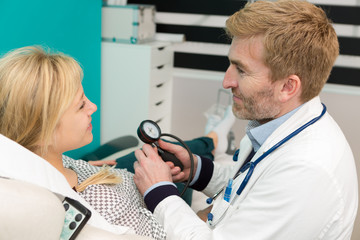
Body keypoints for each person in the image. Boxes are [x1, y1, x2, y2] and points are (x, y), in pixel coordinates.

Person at [132, 1, 359, 239]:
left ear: (288, 86)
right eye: (230, 64)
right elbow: (254, 184)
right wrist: (200, 171)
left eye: (241, 70)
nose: (227, 81)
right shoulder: (275, 123)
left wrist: (160, 193)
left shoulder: (306, 172)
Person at [0, 46, 165, 239]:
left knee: (169, 152)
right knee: (186, 160)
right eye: (81, 105)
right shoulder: (104, 202)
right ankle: (210, 138)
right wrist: (162, 191)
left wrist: (77, 167)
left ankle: (210, 139)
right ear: (43, 132)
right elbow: (164, 234)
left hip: (98, 172)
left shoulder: (27, 163)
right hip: (151, 198)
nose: (93, 107)